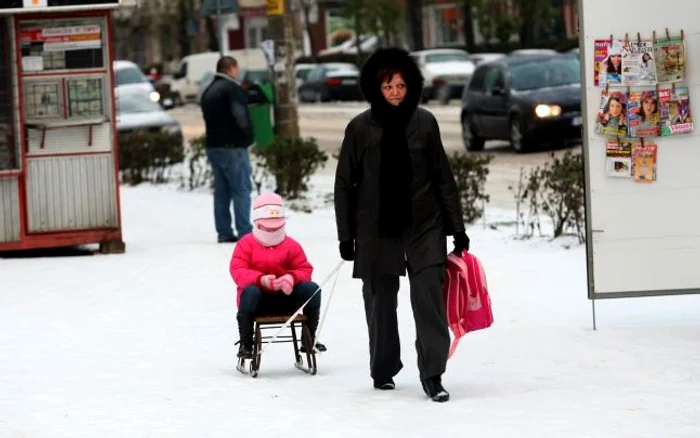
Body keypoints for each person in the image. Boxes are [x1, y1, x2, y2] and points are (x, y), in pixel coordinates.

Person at [333, 47, 469, 403]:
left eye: (401, 86)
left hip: (424, 224)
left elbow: (443, 178)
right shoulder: (360, 128)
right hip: (376, 228)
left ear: (412, 87)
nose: (395, 92)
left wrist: (457, 227)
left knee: (428, 298)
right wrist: (346, 236)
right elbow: (344, 184)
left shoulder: (425, 122)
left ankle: (433, 374)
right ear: (375, 88)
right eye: (388, 86)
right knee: (380, 301)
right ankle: (383, 367)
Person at [229, 192, 327, 358]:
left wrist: (291, 278)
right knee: (250, 291)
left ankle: (308, 338)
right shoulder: (246, 244)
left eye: (276, 228)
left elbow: (304, 269)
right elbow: (237, 270)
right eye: (268, 229)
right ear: (258, 224)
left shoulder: (291, 245)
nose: (273, 231)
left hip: (286, 300)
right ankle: (246, 343)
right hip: (258, 303)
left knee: (313, 289)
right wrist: (261, 280)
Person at [200, 56, 255, 243]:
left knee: (222, 192)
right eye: (236, 69)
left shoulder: (208, 90)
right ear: (231, 69)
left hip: (213, 146)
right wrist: (248, 137)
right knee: (241, 189)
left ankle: (224, 231)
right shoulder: (232, 89)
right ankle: (245, 232)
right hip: (232, 146)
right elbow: (240, 116)